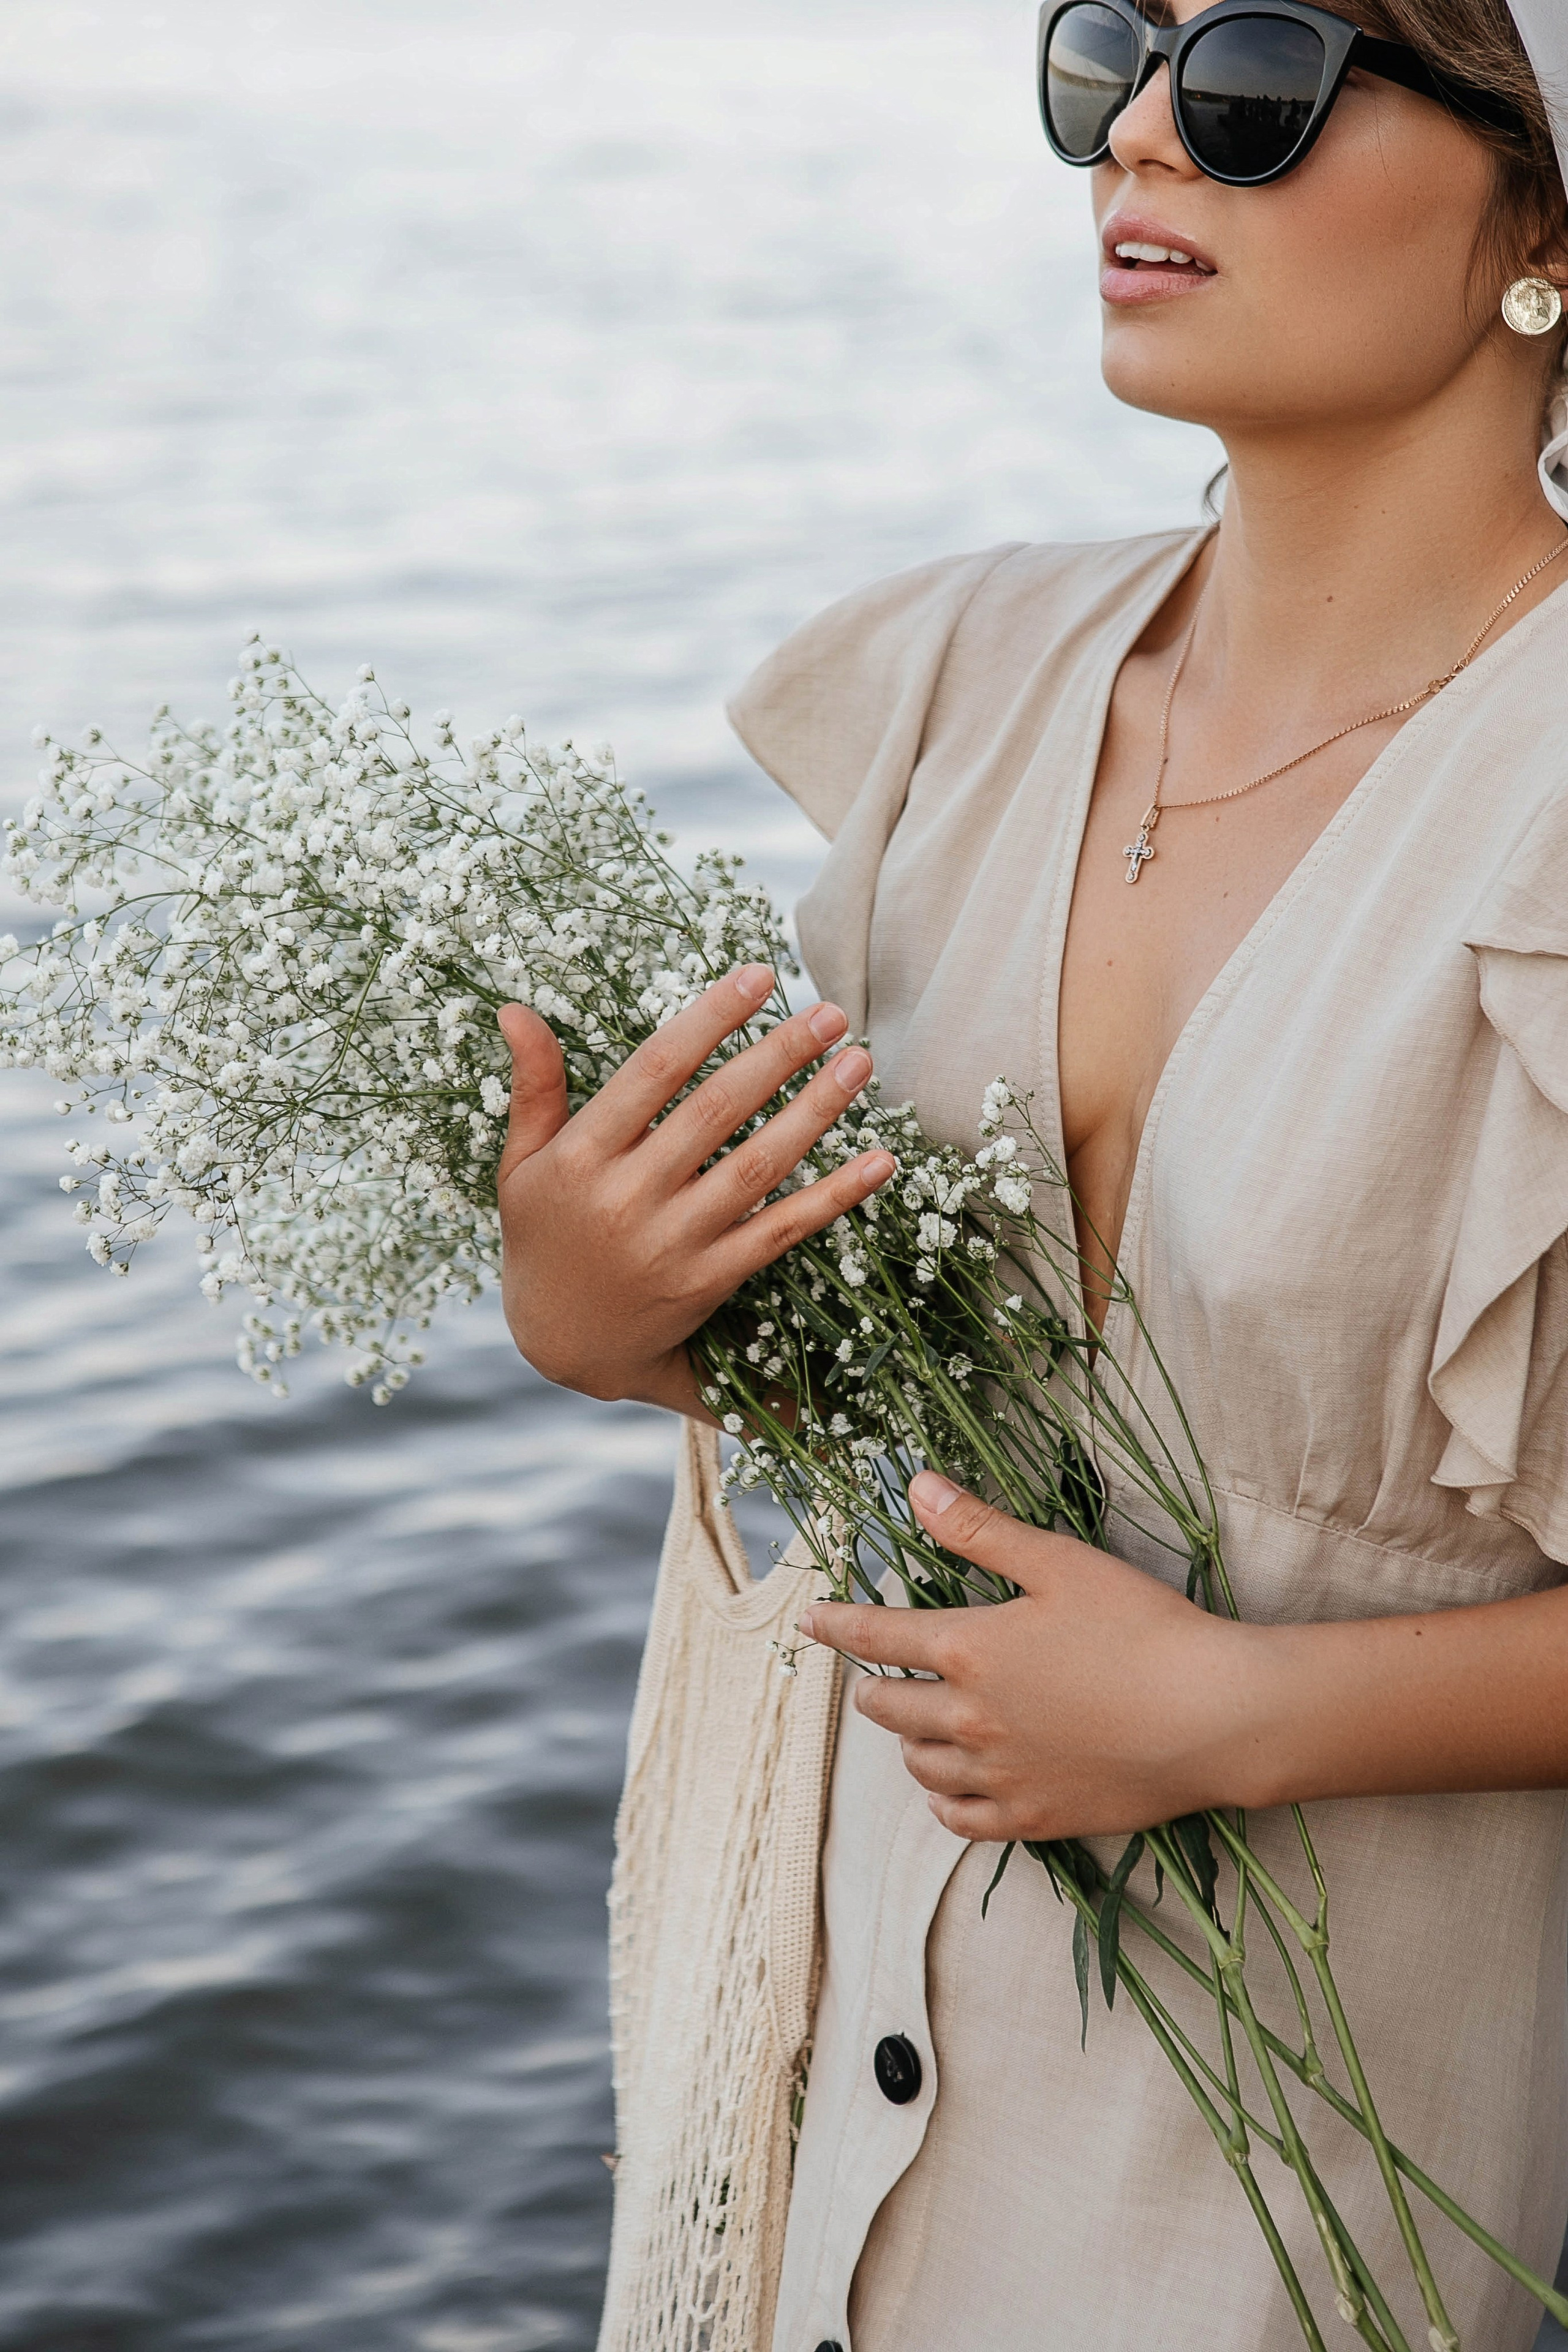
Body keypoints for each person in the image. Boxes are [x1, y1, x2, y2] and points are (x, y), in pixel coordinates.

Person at [497, 2, 1568, 2345]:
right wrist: (618, 1327)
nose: (1143, 134)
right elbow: (935, 1400)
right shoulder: (974, 671)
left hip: (1293, 2188)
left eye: (1259, 76)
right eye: (1109, 56)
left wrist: (1241, 1715)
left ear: (1548, 219)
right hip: (809, 2107)